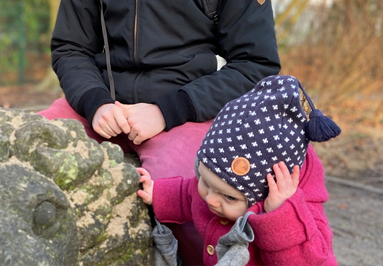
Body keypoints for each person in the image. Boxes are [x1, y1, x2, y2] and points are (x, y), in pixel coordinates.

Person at [38, 0, 280, 261]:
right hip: (100, 103)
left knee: (182, 204)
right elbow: (70, 47)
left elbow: (255, 65)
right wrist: (95, 101)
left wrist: (167, 111)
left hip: (184, 111)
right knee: (25, 154)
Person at [137, 75, 341, 266]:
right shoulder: (218, 187)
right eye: (206, 182)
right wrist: (157, 192)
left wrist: (280, 215)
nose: (210, 199)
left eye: (230, 198)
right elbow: (187, 195)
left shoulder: (300, 217)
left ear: (269, 190)